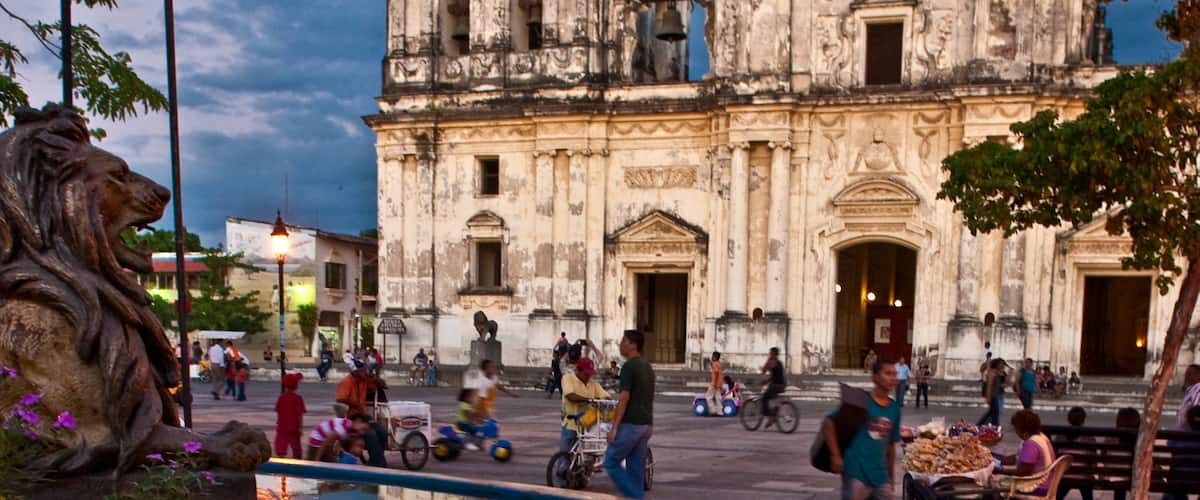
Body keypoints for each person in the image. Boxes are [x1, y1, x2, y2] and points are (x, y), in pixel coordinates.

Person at [821, 359, 901, 500]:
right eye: (888, 373)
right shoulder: (860, 401)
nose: (893, 378)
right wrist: (836, 455)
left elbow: (890, 445)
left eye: (895, 374)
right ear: (875, 377)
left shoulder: (894, 408)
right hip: (856, 471)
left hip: (879, 475)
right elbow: (828, 423)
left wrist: (891, 477)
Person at [604, 330, 654, 500]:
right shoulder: (647, 366)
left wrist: (614, 428)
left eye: (624, 341)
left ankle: (634, 496)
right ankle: (636, 495)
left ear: (633, 345)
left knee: (610, 462)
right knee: (635, 469)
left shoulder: (629, 366)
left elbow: (624, 398)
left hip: (631, 424)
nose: (621, 344)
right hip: (646, 424)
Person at [335, 368, 389, 466]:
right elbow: (340, 398)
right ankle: (378, 463)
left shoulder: (364, 380)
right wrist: (355, 404)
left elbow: (383, 386)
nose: (365, 373)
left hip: (361, 415)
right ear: (356, 372)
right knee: (371, 434)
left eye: (365, 371)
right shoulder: (346, 382)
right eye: (363, 371)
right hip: (350, 417)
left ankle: (377, 459)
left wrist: (374, 378)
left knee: (382, 431)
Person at [996, 410, 1056, 497]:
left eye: (1015, 429)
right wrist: (999, 461)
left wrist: (999, 471)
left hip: (1037, 487)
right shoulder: (1042, 437)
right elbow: (1020, 458)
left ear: (1021, 429)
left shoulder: (1031, 443)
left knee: (995, 485)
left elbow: (1023, 472)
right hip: (1046, 483)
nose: (1016, 432)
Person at [560, 358, 609, 452]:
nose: (588, 376)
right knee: (565, 454)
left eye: (590, 374)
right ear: (578, 370)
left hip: (588, 425)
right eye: (586, 374)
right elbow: (570, 396)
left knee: (589, 454)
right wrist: (588, 400)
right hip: (572, 423)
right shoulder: (568, 378)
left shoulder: (593, 383)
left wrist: (604, 401)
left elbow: (605, 396)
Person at [1055, 407, 1094, 500]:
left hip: (1064, 475)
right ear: (1083, 419)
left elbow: (1055, 457)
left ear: (1068, 419)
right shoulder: (1088, 437)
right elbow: (1092, 461)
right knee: (1087, 492)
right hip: (1083, 476)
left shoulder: (1060, 436)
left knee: (1057, 496)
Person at [1165, 406, 1200, 500]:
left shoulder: (1177, 436)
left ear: (1187, 420)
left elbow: (1169, 445)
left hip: (1178, 479)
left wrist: (1182, 427)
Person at [306, 414, 371, 460]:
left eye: (365, 431)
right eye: (363, 429)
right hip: (317, 442)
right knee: (314, 460)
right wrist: (316, 461)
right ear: (358, 421)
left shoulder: (350, 427)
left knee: (332, 460)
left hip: (324, 443)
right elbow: (326, 443)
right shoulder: (342, 429)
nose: (362, 433)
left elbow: (341, 442)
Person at [274, 373, 306, 459]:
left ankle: (281, 461)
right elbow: (300, 415)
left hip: (282, 427)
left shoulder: (281, 397)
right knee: (297, 450)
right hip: (294, 428)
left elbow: (278, 411)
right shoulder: (298, 398)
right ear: (296, 386)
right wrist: (301, 428)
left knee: (280, 448)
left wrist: (279, 422)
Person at [760, 347, 787, 430]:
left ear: (772, 354)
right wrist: (766, 381)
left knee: (764, 398)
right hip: (782, 385)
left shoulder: (771, 361)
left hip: (775, 385)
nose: (769, 354)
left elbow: (764, 370)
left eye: (770, 353)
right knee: (773, 399)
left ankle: (770, 417)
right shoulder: (780, 363)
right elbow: (775, 376)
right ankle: (773, 416)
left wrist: (766, 364)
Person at [978, 358, 1007, 427]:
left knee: (992, 412)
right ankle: (994, 425)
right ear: (996, 364)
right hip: (992, 395)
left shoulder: (998, 372)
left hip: (996, 395)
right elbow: (989, 385)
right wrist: (988, 397)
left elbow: (1002, 384)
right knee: (994, 412)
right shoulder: (992, 372)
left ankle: (981, 424)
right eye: (1000, 364)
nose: (1002, 365)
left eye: (1003, 364)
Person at [1180, 364, 1200, 430]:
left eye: (1189, 374)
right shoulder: (1191, 390)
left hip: (1191, 431)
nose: (1185, 377)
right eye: (1185, 374)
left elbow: (1196, 412)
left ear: (1198, 376)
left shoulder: (1198, 388)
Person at [705, 352, 724, 416]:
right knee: (718, 398)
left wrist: (714, 384)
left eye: (713, 356)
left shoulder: (715, 364)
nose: (712, 357)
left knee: (708, 396)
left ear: (715, 357)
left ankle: (713, 410)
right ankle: (720, 412)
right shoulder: (718, 364)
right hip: (719, 384)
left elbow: (716, 372)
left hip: (714, 383)